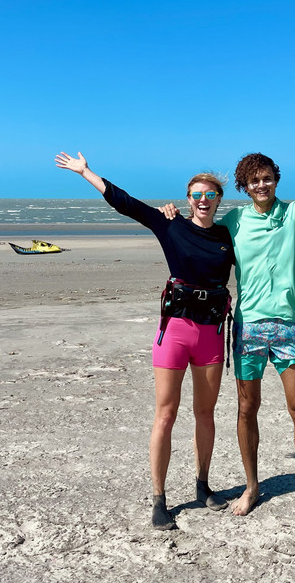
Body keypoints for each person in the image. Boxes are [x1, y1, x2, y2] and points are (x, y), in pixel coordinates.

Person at [161, 118, 295, 523]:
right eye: (254, 181)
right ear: (244, 188)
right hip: (246, 328)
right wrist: (172, 215)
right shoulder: (234, 222)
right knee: (247, 409)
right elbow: (198, 234)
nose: (262, 185)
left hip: (289, 327)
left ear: (275, 180)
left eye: (267, 178)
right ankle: (251, 487)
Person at [55, 151, 234, 531]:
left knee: (205, 414)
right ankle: (159, 499)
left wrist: (290, 265)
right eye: (197, 193)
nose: (203, 199)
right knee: (166, 415)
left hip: (212, 334)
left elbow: (258, 253)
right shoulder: (169, 225)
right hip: (175, 332)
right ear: (188, 199)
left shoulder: (226, 235)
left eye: (211, 194)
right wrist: (86, 172)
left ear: (219, 199)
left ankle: (203, 485)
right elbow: (125, 203)